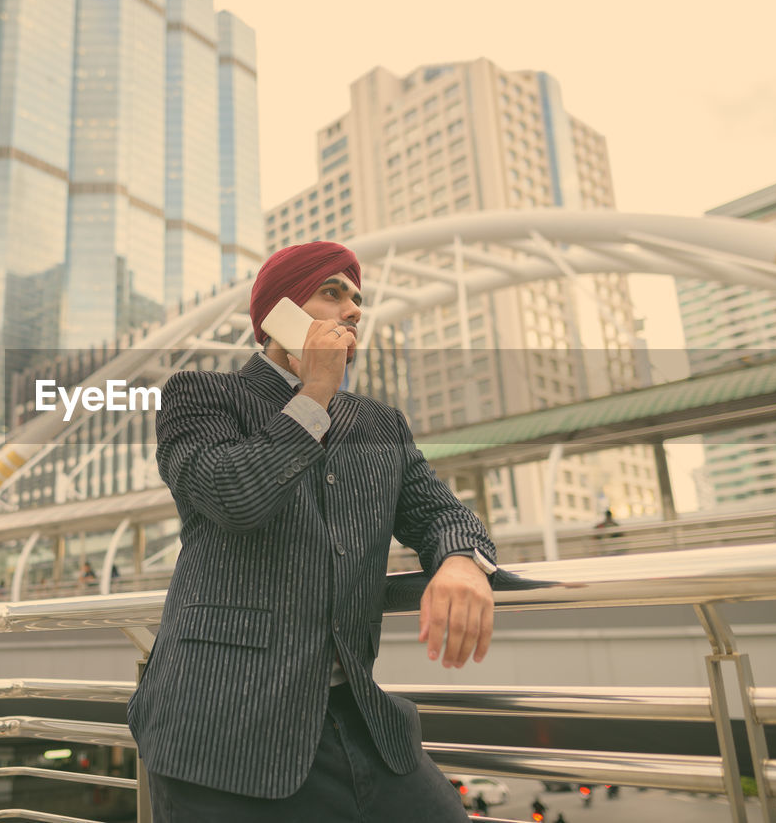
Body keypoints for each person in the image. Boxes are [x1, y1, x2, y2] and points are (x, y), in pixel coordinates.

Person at [128, 241, 499, 822]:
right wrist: (315, 395)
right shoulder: (202, 396)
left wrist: (459, 561)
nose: (353, 309)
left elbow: (442, 514)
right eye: (332, 293)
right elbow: (235, 497)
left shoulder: (380, 425)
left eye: (357, 298)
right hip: (220, 727)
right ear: (278, 316)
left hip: (359, 721)